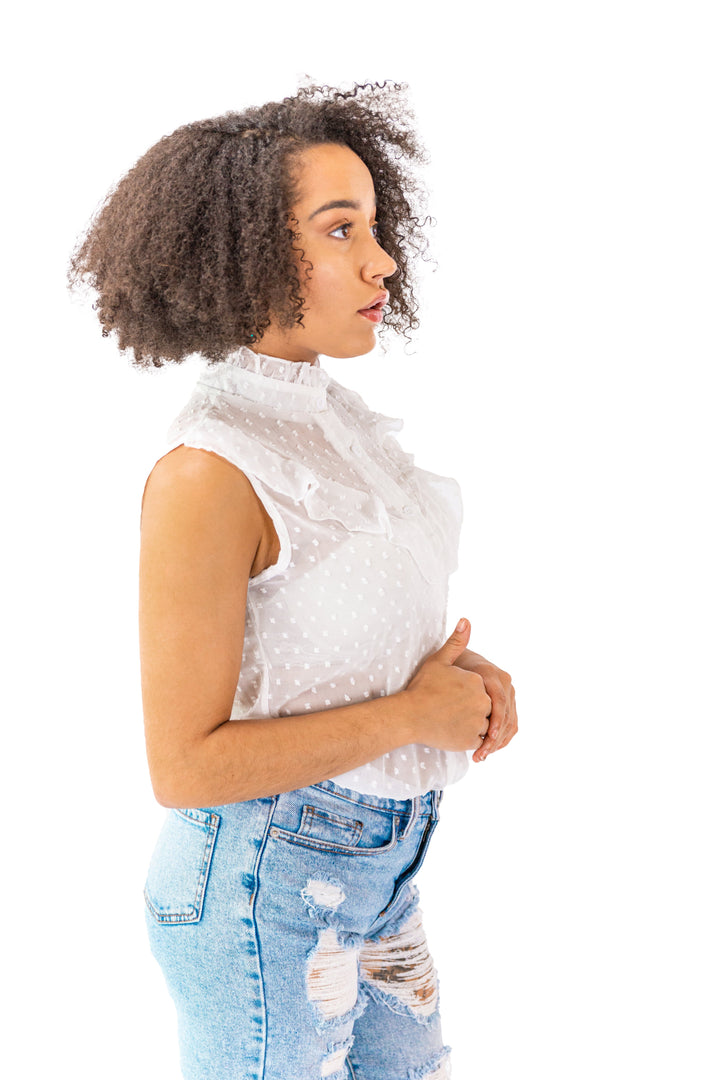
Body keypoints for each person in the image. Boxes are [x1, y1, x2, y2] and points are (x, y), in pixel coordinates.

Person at [68, 81, 518, 1080]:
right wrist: (410, 716)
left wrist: (460, 680)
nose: (383, 257)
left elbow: (327, 633)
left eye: (374, 223)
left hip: (380, 879)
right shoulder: (209, 472)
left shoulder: (334, 426)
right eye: (340, 229)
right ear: (252, 252)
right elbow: (183, 767)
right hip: (258, 895)